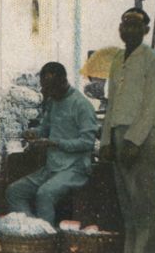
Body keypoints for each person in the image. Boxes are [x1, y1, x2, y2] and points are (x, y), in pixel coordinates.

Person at [99, 8, 155, 253]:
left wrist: (135, 139)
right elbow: (112, 104)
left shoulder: (154, 60)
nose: (129, 29)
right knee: (127, 202)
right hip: (117, 134)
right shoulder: (117, 59)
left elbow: (152, 105)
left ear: (146, 30)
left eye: (136, 25)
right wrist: (106, 141)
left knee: (146, 202)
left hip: (144, 136)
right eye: (125, 24)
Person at [6, 62, 98, 225]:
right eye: (44, 88)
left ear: (63, 81)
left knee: (45, 194)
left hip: (75, 169)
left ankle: (45, 238)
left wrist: (55, 143)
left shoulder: (81, 105)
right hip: (52, 167)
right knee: (14, 192)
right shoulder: (53, 101)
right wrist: (35, 133)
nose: (46, 92)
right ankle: (34, 229)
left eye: (50, 88)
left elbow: (88, 143)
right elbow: (46, 127)